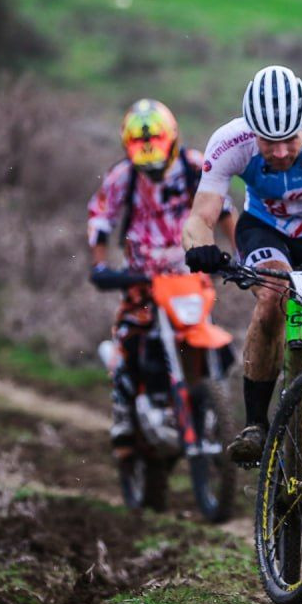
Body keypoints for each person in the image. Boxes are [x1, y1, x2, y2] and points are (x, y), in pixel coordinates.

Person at [181, 65, 302, 466]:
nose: (282, 151)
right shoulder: (229, 142)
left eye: (290, 139)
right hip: (265, 230)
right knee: (273, 296)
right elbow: (200, 217)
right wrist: (200, 247)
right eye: (269, 143)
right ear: (252, 132)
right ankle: (256, 423)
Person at [87, 98, 234, 457]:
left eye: (154, 141)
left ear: (172, 137)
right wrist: (101, 264)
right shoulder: (123, 176)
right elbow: (100, 219)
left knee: (208, 329)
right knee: (128, 332)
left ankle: (213, 405)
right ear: (128, 144)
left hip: (190, 272)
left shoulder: (196, 166)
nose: (149, 151)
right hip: (143, 277)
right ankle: (123, 410)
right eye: (139, 143)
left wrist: (239, 254)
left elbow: (226, 211)